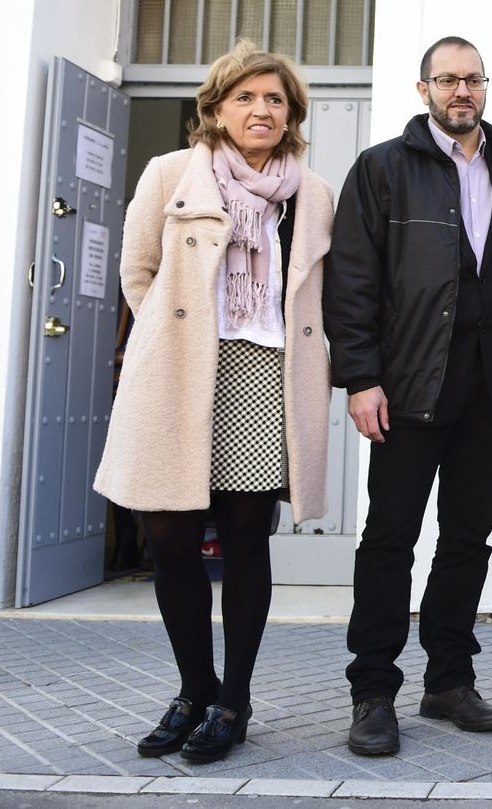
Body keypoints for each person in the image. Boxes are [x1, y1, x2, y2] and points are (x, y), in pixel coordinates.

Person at [94, 41, 334, 764]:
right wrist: (173, 336)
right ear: (218, 108)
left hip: (265, 376)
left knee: (245, 541)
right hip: (179, 370)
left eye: (275, 99)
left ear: (291, 114)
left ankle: (234, 700)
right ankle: (194, 690)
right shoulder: (171, 173)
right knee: (169, 537)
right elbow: (138, 270)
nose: (261, 110)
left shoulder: (312, 193)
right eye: (245, 97)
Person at [324, 36, 492, 756]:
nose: (462, 91)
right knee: (390, 540)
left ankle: (450, 680)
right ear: (423, 90)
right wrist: (361, 377)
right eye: (447, 80)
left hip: (490, 388)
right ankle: (372, 692)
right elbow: (351, 279)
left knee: (467, 540)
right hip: (408, 386)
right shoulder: (383, 167)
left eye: (473, 79)